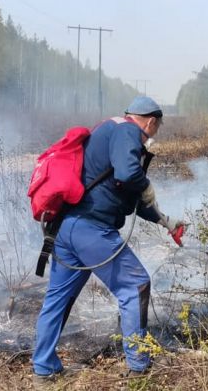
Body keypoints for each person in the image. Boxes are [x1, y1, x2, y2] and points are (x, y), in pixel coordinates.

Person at [32, 96, 183, 381]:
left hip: (64, 229)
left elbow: (125, 193)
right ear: (151, 121)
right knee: (136, 285)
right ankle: (139, 369)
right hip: (91, 231)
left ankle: (43, 369)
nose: (155, 132)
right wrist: (146, 184)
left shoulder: (109, 129)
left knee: (57, 299)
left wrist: (165, 221)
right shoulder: (128, 131)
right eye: (158, 126)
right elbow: (128, 175)